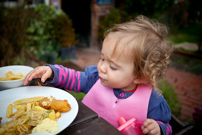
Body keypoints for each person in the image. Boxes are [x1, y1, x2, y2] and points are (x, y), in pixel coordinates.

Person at [24, 15, 173, 135]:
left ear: (140, 76)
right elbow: (74, 78)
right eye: (102, 58)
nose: (101, 67)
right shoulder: (95, 78)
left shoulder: (153, 102)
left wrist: (158, 129)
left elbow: (166, 126)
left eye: (113, 66)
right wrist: (52, 72)